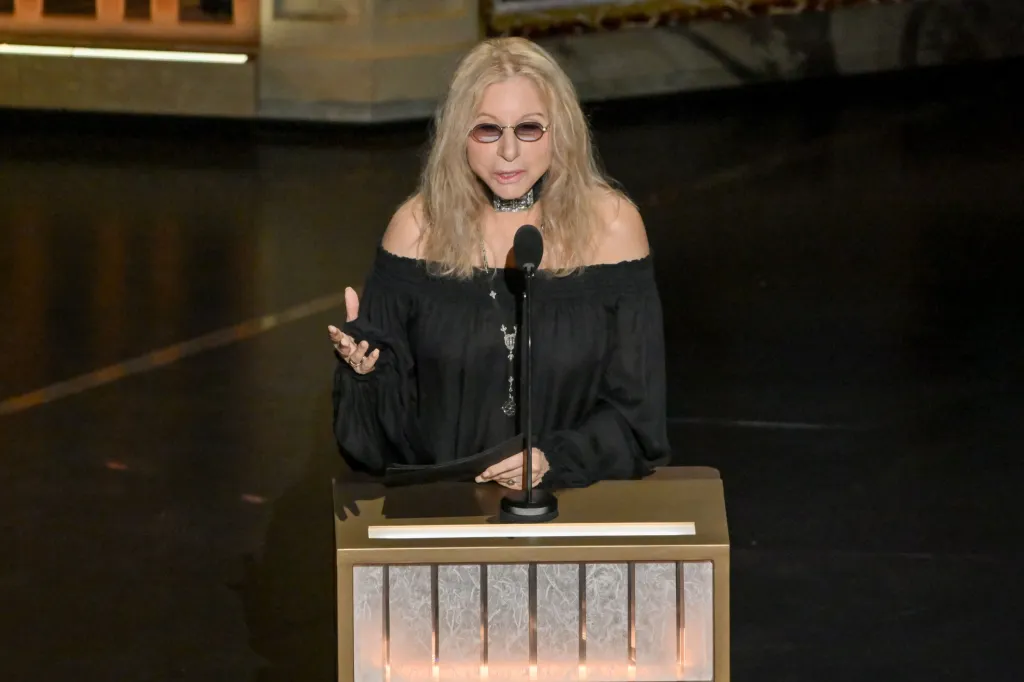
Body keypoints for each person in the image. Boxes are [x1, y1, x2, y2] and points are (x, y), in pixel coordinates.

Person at [328, 37, 670, 490]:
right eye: (488, 130)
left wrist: (554, 459)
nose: (509, 152)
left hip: (571, 507)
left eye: (529, 128)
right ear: (459, 137)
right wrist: (366, 375)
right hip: (448, 514)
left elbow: (638, 417)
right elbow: (381, 445)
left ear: (560, 132)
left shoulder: (613, 227)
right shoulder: (415, 228)